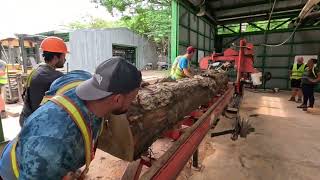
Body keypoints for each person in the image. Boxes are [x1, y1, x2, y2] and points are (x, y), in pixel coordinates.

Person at [0, 57, 142, 180]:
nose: (134, 100)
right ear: (117, 99)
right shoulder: (54, 145)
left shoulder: (81, 79)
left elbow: (57, 83)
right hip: (20, 171)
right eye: (133, 97)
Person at [19, 36, 67, 126]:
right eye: (64, 56)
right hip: (37, 125)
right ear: (56, 57)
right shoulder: (55, 77)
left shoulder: (36, 70)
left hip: (27, 118)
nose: (65, 59)